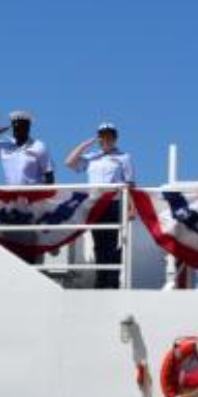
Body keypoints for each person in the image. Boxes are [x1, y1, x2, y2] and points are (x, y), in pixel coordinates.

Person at [64, 122, 136, 289]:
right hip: (95, 203)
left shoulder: (124, 157)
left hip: (114, 203)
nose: (106, 139)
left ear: (115, 138)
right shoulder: (92, 157)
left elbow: (130, 184)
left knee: (112, 242)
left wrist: (132, 207)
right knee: (98, 243)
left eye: (109, 136)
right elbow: (69, 162)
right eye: (103, 136)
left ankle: (113, 280)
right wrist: (86, 144)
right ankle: (101, 280)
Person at [0, 110, 53, 186]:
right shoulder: (4, 147)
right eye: (14, 127)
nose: (16, 130)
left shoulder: (38, 146)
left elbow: (49, 175)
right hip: (11, 193)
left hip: (33, 193)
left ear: (27, 128)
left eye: (20, 127)